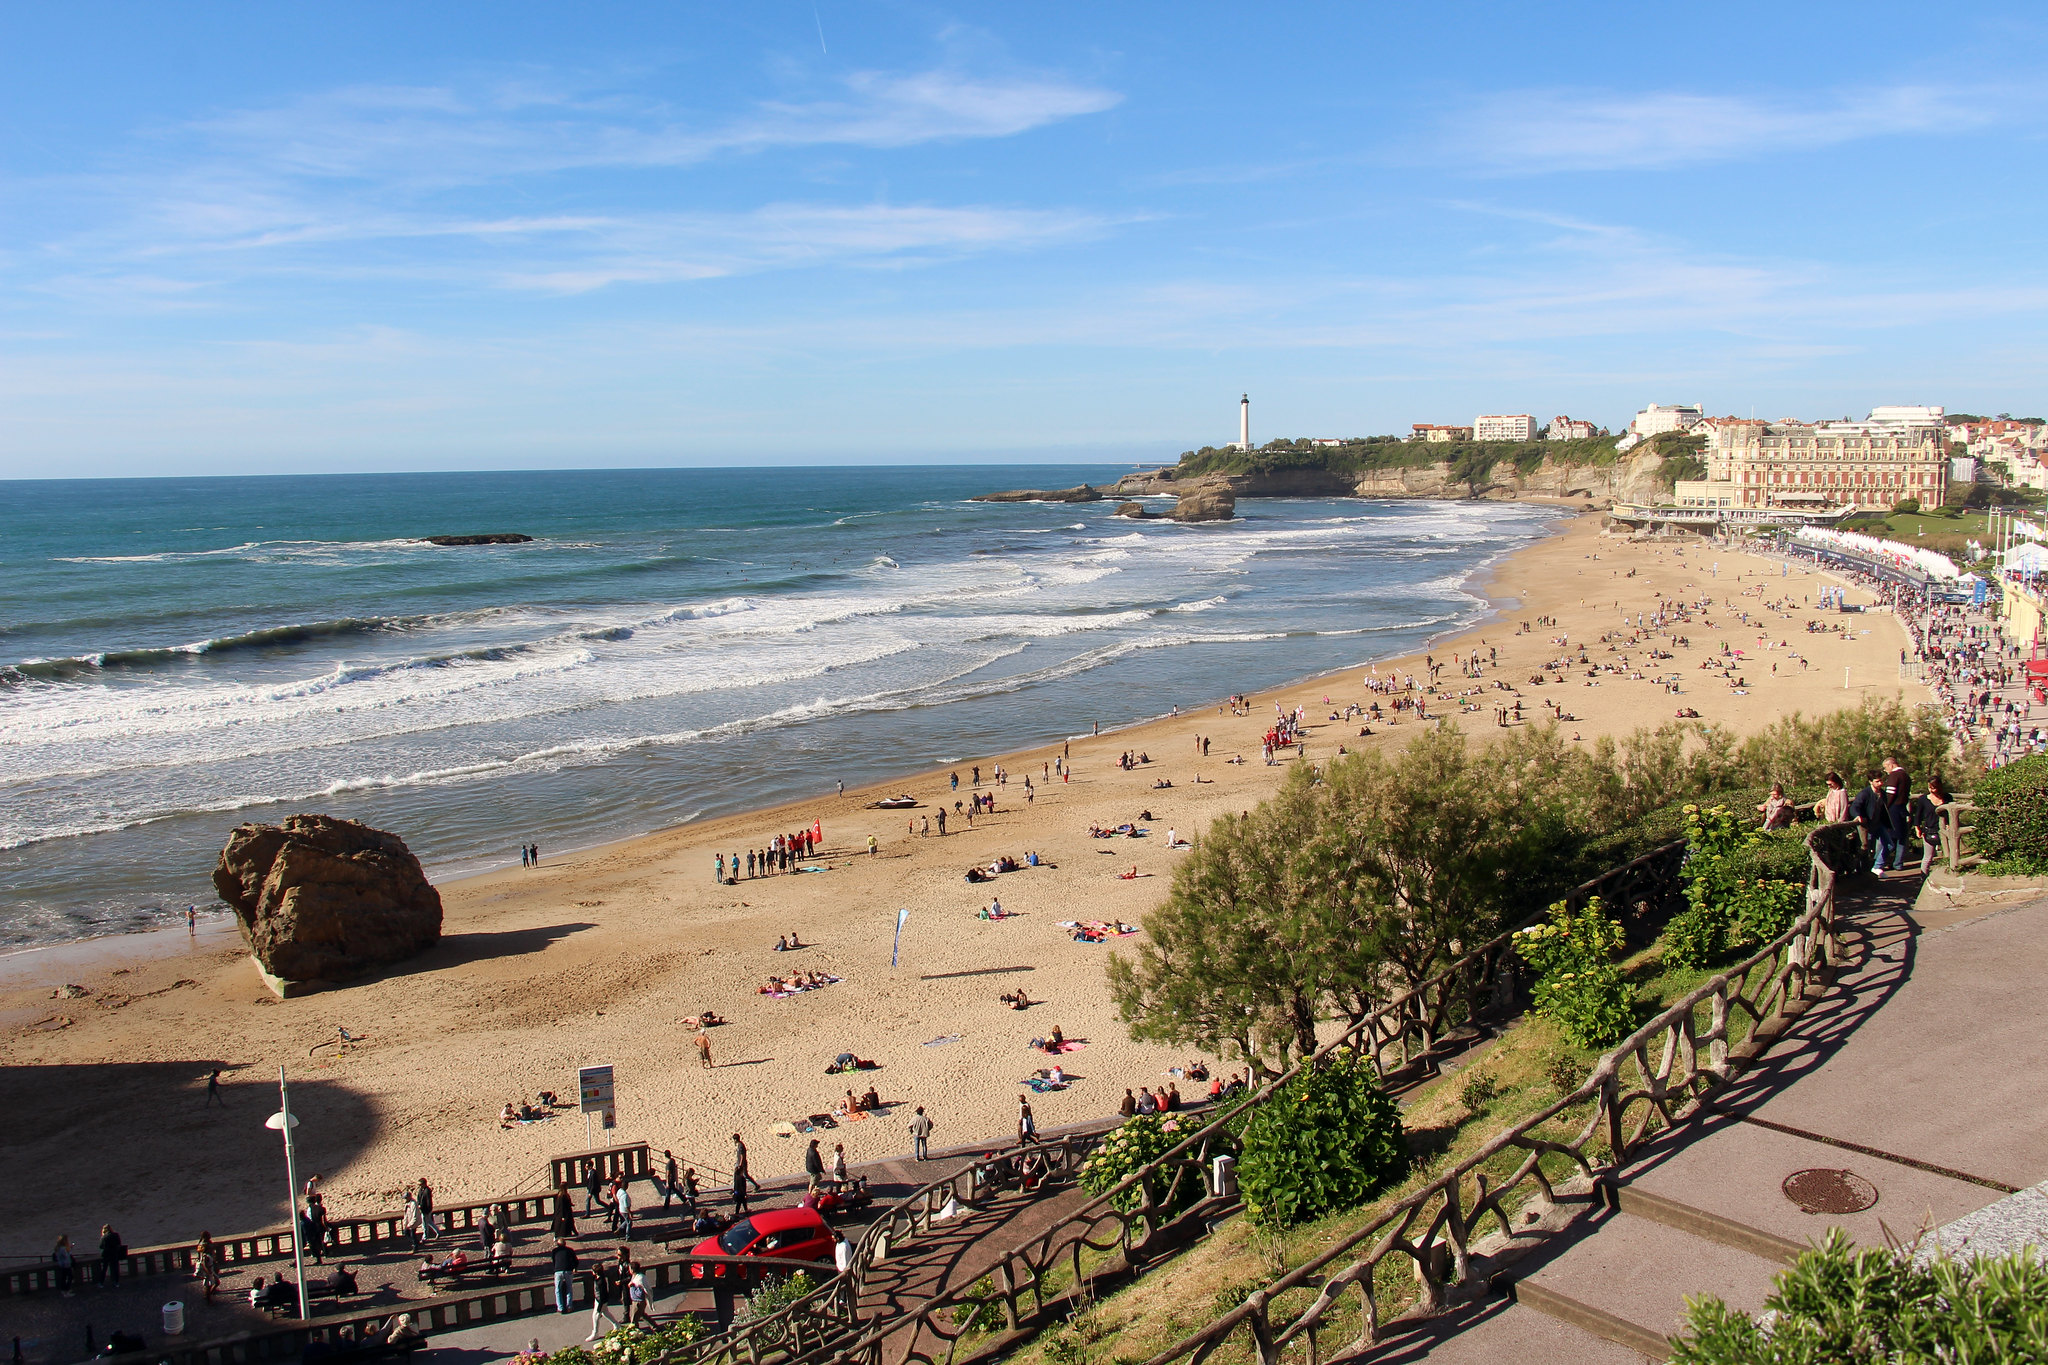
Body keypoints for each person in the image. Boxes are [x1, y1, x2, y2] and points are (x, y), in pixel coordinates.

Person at [551, 1239, 578, 1314]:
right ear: (565, 1244)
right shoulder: (570, 1250)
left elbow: (554, 1261)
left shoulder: (555, 1251)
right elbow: (575, 1260)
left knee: (557, 1289)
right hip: (568, 1270)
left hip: (558, 1270)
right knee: (569, 1288)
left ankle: (560, 1307)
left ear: (557, 1244)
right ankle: (569, 1306)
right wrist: (575, 1267)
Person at [98, 1223, 124, 1289]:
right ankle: (116, 1282)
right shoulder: (116, 1235)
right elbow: (119, 1244)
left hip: (106, 1255)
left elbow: (101, 1246)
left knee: (104, 1269)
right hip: (114, 1254)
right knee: (115, 1268)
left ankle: (101, 1283)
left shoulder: (104, 1237)